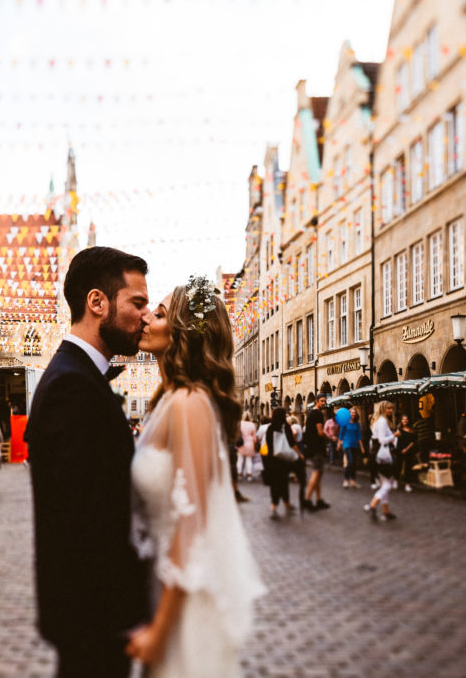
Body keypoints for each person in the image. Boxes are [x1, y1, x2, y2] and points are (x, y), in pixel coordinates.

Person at [126, 275, 264, 675]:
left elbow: (191, 524)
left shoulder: (189, 404)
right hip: (161, 593)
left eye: (161, 313)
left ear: (184, 331)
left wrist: (161, 631)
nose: (147, 317)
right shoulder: (168, 400)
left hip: (183, 609)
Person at [25, 246, 151, 677]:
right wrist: (130, 615)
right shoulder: (71, 387)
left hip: (88, 616)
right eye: (137, 302)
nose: (146, 316)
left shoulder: (76, 377)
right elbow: (86, 524)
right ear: (98, 302)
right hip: (93, 618)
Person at [264, 407, 302, 519]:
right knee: (284, 481)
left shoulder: (270, 428)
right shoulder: (286, 427)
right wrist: (300, 454)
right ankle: (286, 503)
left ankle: (273, 507)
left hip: (272, 459)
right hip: (284, 459)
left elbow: (268, 443)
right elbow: (292, 443)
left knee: (274, 483)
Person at [365, 401, 399, 522]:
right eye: (388, 408)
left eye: (391, 408)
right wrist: (395, 435)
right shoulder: (382, 422)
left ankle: (385, 511)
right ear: (383, 409)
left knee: (386, 483)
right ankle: (372, 505)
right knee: (388, 484)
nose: (390, 411)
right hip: (380, 455)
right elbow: (382, 440)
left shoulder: (381, 421)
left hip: (379, 454)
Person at [302, 395, 331, 511]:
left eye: (325, 401)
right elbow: (320, 432)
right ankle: (307, 499)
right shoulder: (318, 414)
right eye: (322, 401)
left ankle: (318, 500)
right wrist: (330, 437)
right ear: (316, 401)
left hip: (311, 447)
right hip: (317, 447)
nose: (324, 403)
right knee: (317, 472)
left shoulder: (310, 413)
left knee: (318, 474)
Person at [339, 407, 365, 488]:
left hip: (355, 445)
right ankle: (346, 480)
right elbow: (341, 435)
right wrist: (339, 444)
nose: (353, 414)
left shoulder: (357, 424)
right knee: (350, 461)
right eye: (351, 412)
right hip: (347, 444)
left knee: (354, 463)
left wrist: (362, 447)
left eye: (354, 412)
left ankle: (353, 481)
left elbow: (359, 437)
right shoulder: (345, 423)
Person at [396, 414, 417, 492]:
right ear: (401, 421)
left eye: (406, 419)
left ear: (408, 420)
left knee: (408, 468)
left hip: (409, 451)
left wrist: (406, 449)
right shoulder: (398, 430)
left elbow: (413, 441)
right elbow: (394, 439)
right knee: (398, 466)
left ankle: (407, 484)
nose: (405, 420)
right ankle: (396, 480)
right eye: (403, 419)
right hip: (399, 450)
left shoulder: (412, 430)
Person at [237, 411, 258, 481]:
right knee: (249, 460)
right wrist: (254, 445)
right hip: (250, 443)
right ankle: (249, 475)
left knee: (240, 459)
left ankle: (239, 474)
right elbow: (254, 437)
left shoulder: (240, 424)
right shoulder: (252, 425)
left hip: (241, 443)